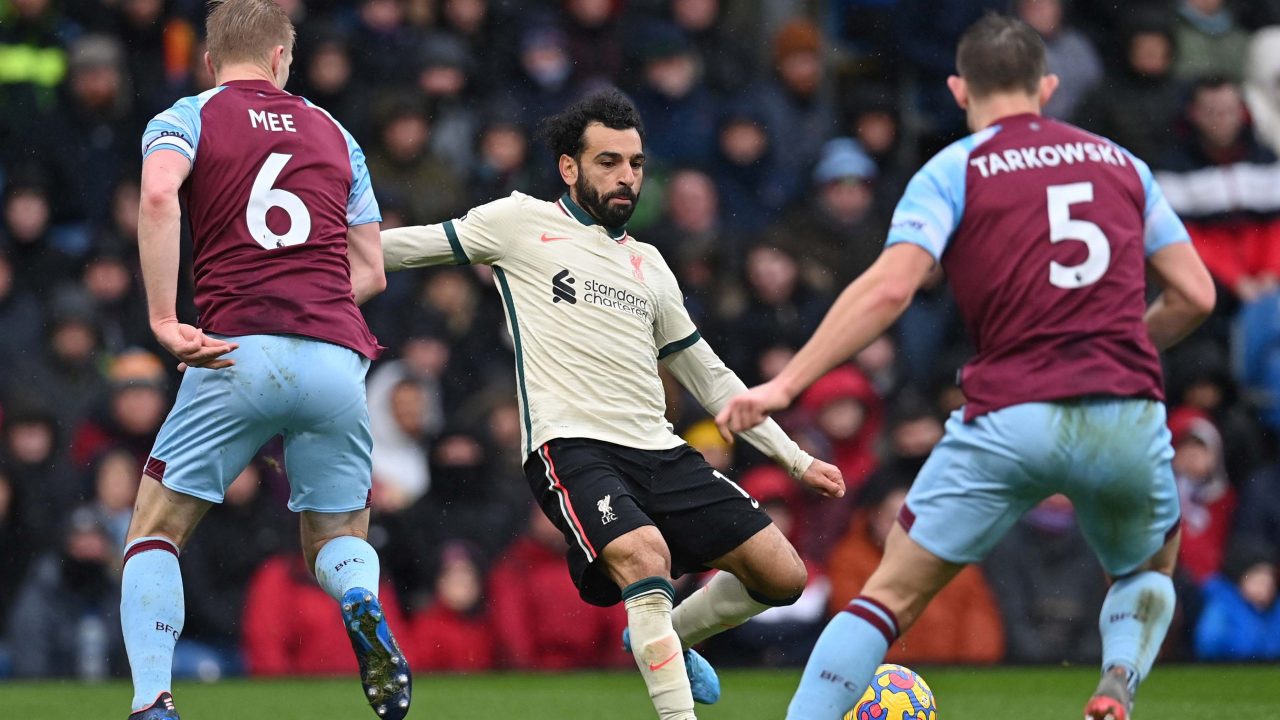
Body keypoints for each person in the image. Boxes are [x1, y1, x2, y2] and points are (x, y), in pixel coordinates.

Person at [718, 14, 1216, 720]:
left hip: (1011, 417)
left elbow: (891, 288)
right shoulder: (1122, 164)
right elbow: (1196, 293)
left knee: (888, 597)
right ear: (1046, 86)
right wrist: (1120, 340)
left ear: (959, 89)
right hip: (1122, 410)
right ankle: (1117, 681)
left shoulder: (954, 168)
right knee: (1146, 569)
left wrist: (787, 383)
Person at [381, 89, 844, 720]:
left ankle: (666, 639)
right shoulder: (518, 222)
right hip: (570, 444)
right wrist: (295, 259)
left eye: (635, 162)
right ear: (569, 168)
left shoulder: (649, 264)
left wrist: (792, 458)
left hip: (658, 449)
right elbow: (395, 249)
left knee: (782, 575)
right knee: (646, 558)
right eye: (608, 162)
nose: (627, 176)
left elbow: (708, 375)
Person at [120, 2, 407, 719]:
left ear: (212, 61)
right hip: (337, 356)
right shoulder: (337, 133)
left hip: (233, 349)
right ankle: (360, 599)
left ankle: (153, 700)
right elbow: (370, 270)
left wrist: (163, 320)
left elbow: (158, 196)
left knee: (156, 529)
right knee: (334, 541)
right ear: (283, 58)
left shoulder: (188, 114)